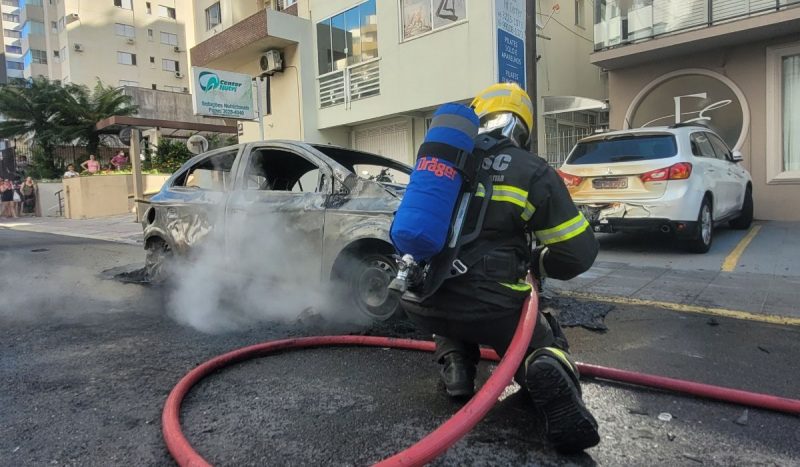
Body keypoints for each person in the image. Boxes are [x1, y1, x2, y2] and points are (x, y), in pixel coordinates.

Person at [401, 83, 600, 453]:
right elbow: (579, 254)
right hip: (492, 307)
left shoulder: (446, 160)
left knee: (451, 298)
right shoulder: (531, 170)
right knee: (542, 340)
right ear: (521, 127)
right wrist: (539, 262)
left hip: (421, 300)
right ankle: (543, 368)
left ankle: (457, 367)